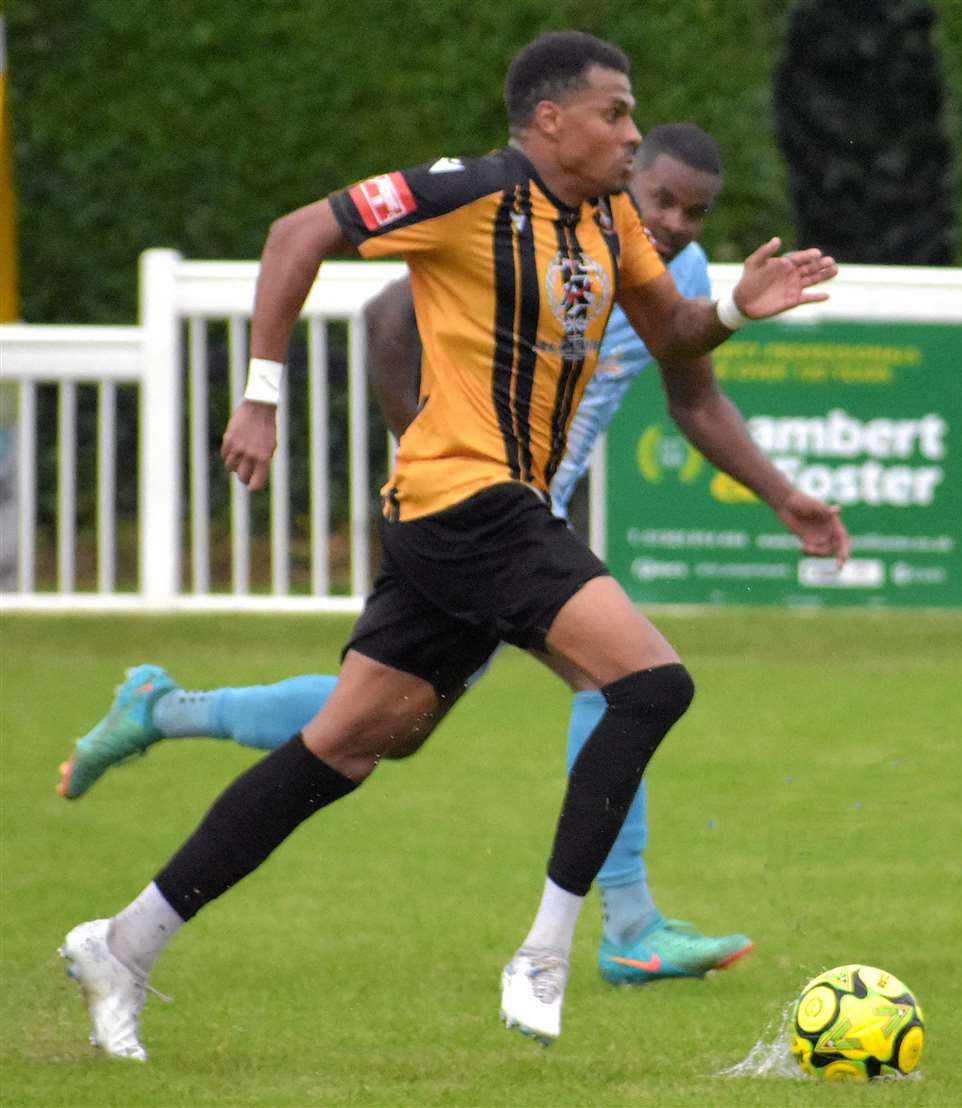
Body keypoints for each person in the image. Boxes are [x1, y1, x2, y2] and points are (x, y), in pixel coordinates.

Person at [60, 32, 845, 1061]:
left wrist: (740, 306)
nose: (631, 132)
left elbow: (676, 336)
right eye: (615, 113)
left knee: (348, 745)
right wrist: (261, 394)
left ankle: (125, 940)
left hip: (487, 514)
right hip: (466, 502)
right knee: (650, 683)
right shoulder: (466, 194)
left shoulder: (612, 220)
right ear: (550, 120)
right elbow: (297, 233)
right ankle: (549, 950)